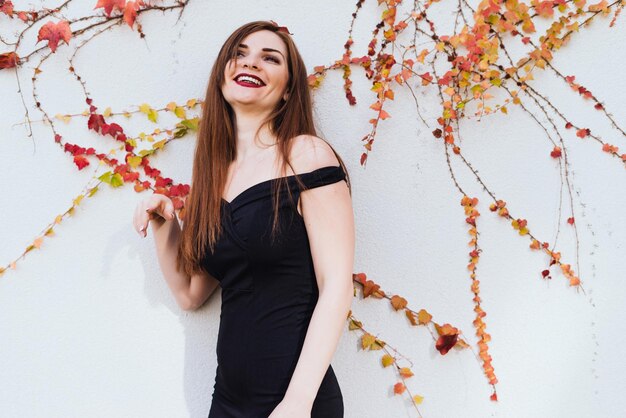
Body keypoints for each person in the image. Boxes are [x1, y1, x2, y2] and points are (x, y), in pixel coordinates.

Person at [132, 20, 355, 418]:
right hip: (228, 401)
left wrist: (298, 402)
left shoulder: (306, 155)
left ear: (288, 89)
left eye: (270, 58)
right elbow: (190, 294)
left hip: (295, 403)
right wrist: (163, 222)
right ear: (222, 76)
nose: (250, 63)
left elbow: (337, 285)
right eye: (240, 53)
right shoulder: (214, 179)